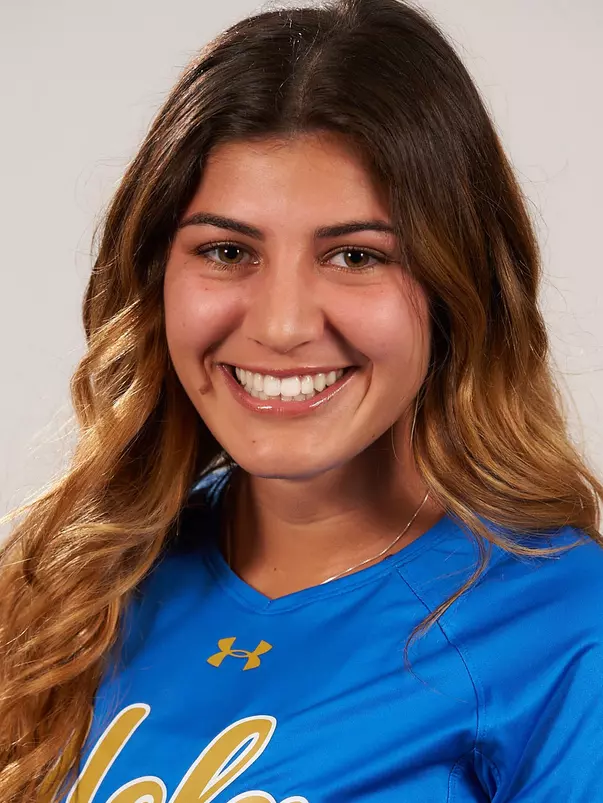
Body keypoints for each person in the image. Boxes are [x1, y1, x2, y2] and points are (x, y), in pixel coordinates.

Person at [1, 0, 602, 800]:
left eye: (355, 255)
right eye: (226, 250)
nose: (281, 325)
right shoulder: (75, 588)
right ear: (155, 277)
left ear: (457, 285)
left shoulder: (568, 632)